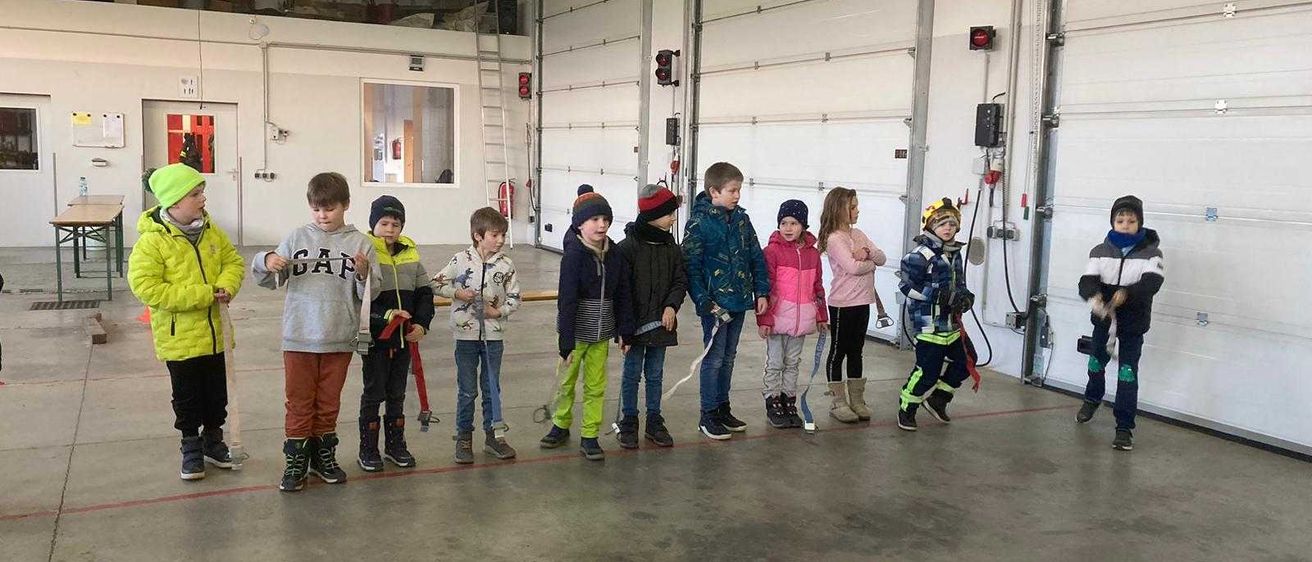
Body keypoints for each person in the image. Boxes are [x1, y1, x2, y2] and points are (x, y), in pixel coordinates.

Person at [251, 172, 379, 492]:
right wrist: (268, 261)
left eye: (330, 209)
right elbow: (268, 278)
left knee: (328, 402)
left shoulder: (361, 243)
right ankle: (296, 461)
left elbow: (372, 293)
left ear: (346, 205)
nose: (323, 216)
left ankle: (323, 456)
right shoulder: (296, 238)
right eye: (316, 209)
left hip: (338, 336)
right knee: (298, 401)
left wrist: (363, 274)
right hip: (299, 336)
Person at [128, 163, 245, 481]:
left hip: (216, 333)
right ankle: (190, 445)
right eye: (195, 194)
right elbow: (148, 289)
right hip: (179, 338)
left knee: (216, 392)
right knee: (187, 395)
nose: (203, 199)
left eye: (202, 192)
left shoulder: (211, 231)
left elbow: (232, 261)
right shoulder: (152, 243)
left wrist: (227, 285)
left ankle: (213, 439)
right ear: (174, 202)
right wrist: (206, 294)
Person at [540, 186, 633, 460]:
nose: (601, 225)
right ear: (580, 225)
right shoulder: (574, 256)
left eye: (605, 219)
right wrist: (565, 340)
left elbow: (623, 294)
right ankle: (560, 424)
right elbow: (567, 300)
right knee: (566, 382)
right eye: (595, 220)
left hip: (601, 334)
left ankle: (590, 434)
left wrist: (624, 330)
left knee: (596, 386)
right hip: (576, 334)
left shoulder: (615, 255)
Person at [682, 162, 770, 440]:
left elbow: (756, 256)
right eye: (732, 190)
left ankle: (722, 407)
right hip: (715, 305)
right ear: (714, 191)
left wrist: (761, 291)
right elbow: (691, 267)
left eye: (739, 190)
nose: (737, 195)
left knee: (729, 357)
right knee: (714, 358)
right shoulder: (698, 224)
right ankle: (707, 414)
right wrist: (703, 301)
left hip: (739, 300)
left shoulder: (742, 220)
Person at [433, 207, 522, 464]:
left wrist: (498, 312)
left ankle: (495, 436)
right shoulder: (460, 260)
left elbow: (515, 297)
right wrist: (458, 294)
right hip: (465, 337)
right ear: (478, 236)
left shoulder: (506, 264)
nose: (501, 240)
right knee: (468, 390)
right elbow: (435, 283)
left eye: (503, 235)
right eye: (495, 235)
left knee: (491, 387)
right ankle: (463, 437)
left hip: (493, 337)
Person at [1075, 195, 1165, 451]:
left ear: (1140, 223)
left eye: (1131, 220)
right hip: (1104, 321)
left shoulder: (1152, 253)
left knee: (1127, 374)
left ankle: (1124, 428)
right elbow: (1087, 280)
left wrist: (1127, 293)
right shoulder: (1099, 251)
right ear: (1113, 222)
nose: (1125, 225)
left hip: (1132, 326)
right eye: (1120, 220)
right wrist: (1093, 297)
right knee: (1096, 363)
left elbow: (1152, 283)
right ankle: (1092, 399)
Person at [356, 195, 434, 472]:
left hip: (404, 340)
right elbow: (360, 298)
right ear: (373, 224)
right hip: (376, 341)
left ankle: (395, 445)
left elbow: (425, 292)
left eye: (396, 224)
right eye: (384, 223)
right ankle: (367, 448)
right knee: (373, 393)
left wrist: (421, 324)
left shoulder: (410, 253)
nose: (390, 229)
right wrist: (386, 317)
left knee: (397, 394)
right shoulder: (365, 252)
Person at [614, 184, 686, 448]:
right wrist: (625, 329)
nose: (673, 218)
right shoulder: (627, 249)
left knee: (655, 375)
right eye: (669, 213)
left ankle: (654, 420)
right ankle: (629, 420)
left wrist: (671, 306)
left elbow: (680, 281)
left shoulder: (672, 248)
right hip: (634, 329)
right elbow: (621, 293)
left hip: (661, 327)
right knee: (631, 374)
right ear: (652, 215)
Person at [895, 198, 974, 432]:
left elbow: (959, 283)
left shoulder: (954, 253)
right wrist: (937, 296)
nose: (947, 228)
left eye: (951, 223)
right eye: (941, 224)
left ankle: (938, 400)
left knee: (966, 362)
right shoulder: (921, 254)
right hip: (929, 325)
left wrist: (965, 296)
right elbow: (906, 287)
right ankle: (907, 408)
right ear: (930, 226)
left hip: (950, 325)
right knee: (927, 372)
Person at [816, 187, 887, 423]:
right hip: (842, 305)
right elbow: (853, 268)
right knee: (838, 352)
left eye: (857, 206)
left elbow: (881, 257)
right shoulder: (835, 239)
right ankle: (837, 401)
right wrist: (869, 262)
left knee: (856, 351)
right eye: (853, 207)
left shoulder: (859, 235)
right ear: (839, 210)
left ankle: (857, 399)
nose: (857, 210)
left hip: (862, 303)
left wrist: (865, 253)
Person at [756, 200, 827, 429]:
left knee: (793, 362)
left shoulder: (813, 255)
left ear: (803, 226)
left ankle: (789, 399)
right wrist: (764, 319)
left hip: (802, 320)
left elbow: (818, 287)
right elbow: (764, 288)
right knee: (775, 362)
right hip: (777, 319)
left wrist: (821, 316)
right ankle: (772, 400)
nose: (787, 228)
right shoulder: (771, 252)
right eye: (783, 223)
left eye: (793, 223)